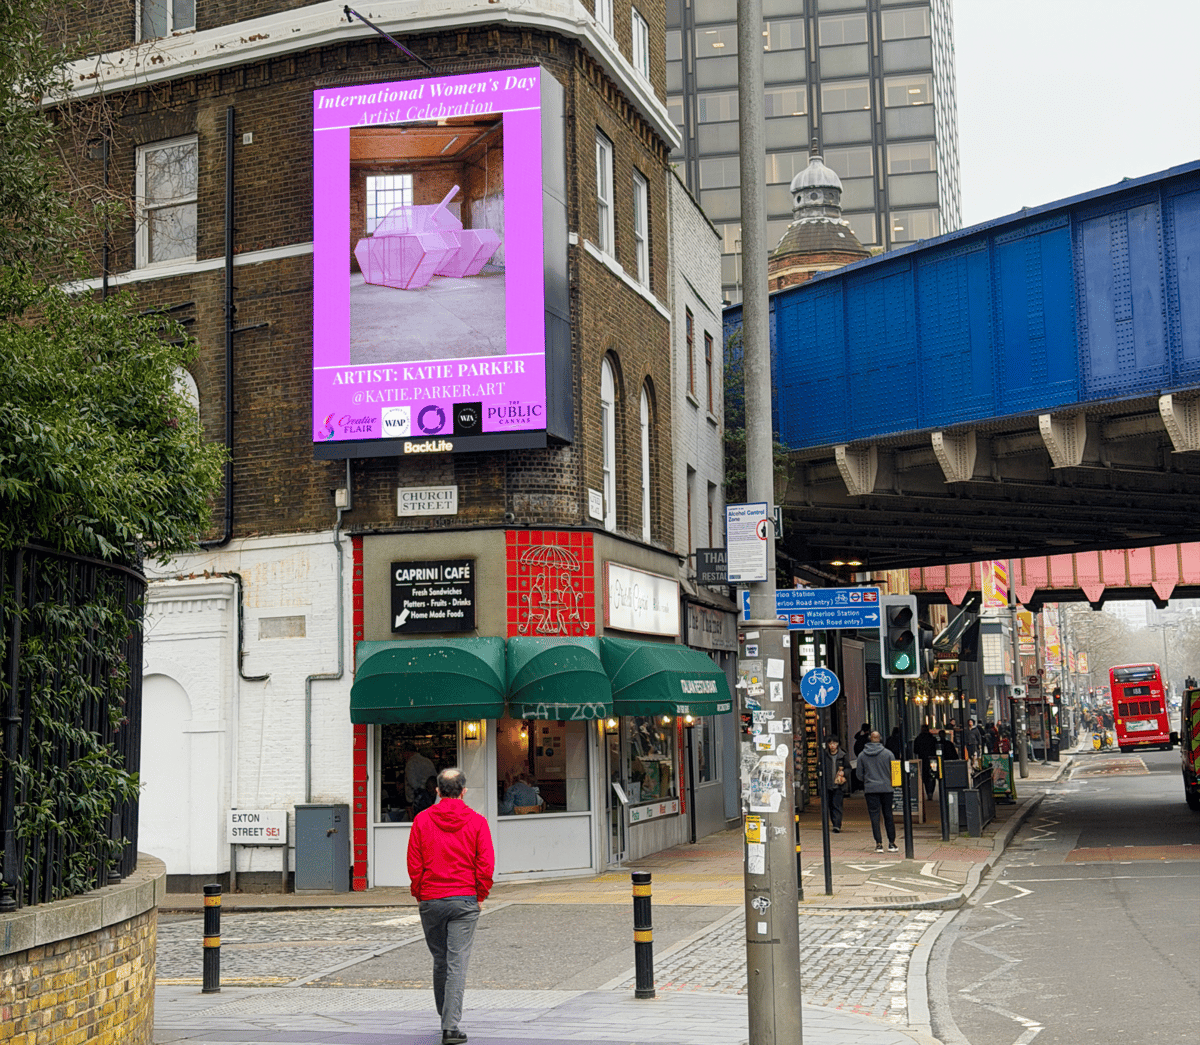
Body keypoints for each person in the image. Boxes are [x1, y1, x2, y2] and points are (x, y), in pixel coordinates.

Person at [407, 767, 494, 1045]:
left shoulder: (422, 820)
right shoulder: (478, 822)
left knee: (441, 960)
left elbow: (414, 861)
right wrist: (480, 894)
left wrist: (420, 893)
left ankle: (444, 1017)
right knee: (458, 962)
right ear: (464, 791)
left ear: (437, 790)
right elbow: (486, 864)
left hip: (432, 898)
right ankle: (450, 1025)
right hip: (465, 899)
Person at [857, 731, 898, 853]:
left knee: (874, 816)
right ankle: (891, 843)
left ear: (870, 739)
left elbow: (859, 775)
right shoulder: (889, 754)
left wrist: (867, 780)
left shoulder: (862, 755)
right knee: (888, 815)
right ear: (880, 739)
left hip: (870, 789)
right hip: (886, 789)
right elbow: (895, 773)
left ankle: (879, 844)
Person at [822, 737, 852, 832]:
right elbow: (819, 768)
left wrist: (844, 773)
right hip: (828, 785)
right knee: (830, 805)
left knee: (837, 805)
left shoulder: (842, 755)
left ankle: (837, 825)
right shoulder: (824, 755)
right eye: (830, 744)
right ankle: (833, 822)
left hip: (839, 786)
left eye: (834, 743)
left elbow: (848, 768)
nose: (832, 746)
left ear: (838, 744)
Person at [912, 723, 939, 799]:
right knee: (932, 775)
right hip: (932, 759)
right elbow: (937, 748)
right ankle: (931, 792)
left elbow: (915, 751)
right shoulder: (932, 738)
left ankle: (928, 791)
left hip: (923, 760)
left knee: (925, 776)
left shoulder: (918, 739)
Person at [851, 722, 872, 792]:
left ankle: (861, 785)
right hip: (868, 757)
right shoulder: (868, 739)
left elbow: (856, 737)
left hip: (860, 756)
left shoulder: (859, 738)